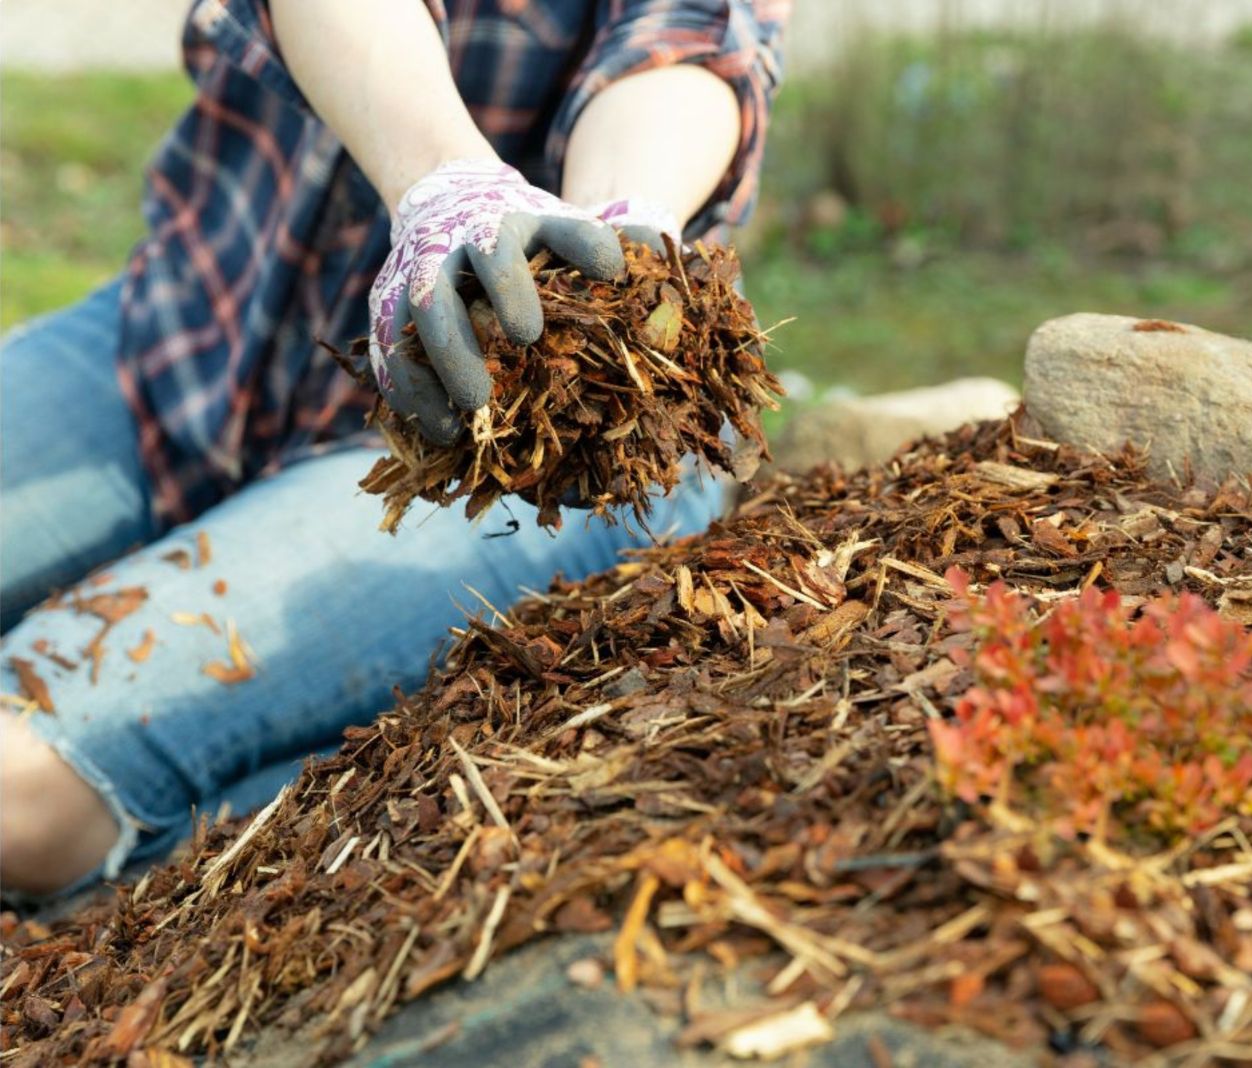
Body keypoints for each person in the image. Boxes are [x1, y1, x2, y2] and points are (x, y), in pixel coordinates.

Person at [0, 0, 788, 897]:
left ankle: (285, 808)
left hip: (501, 455)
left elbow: (686, 43)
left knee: (19, 794)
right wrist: (446, 186)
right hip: (190, 333)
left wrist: (618, 224)